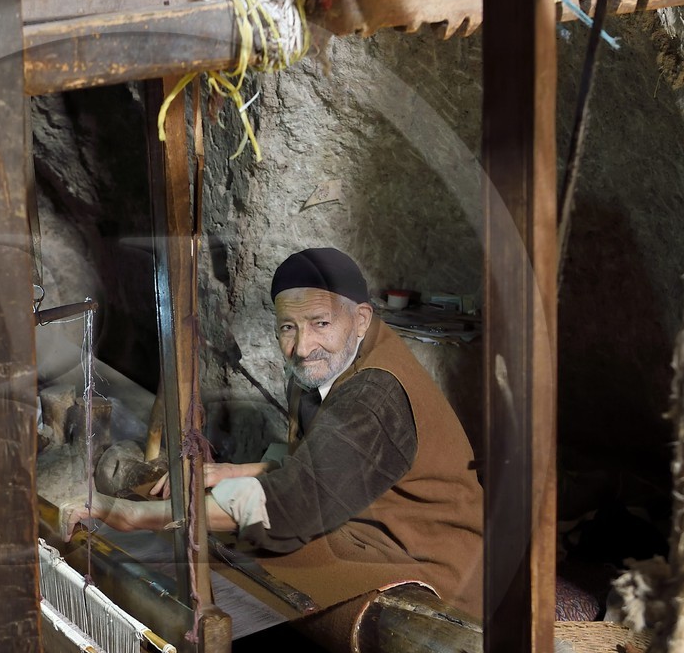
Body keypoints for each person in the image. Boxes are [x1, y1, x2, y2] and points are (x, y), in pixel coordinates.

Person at [77, 247, 484, 617]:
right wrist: (232, 473)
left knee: (253, 560)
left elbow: (291, 509)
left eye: (320, 323)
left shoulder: (372, 396)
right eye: (288, 327)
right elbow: (320, 463)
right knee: (234, 558)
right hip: (372, 530)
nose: (303, 346)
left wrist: (141, 515)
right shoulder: (334, 361)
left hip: (435, 573)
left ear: (360, 318)